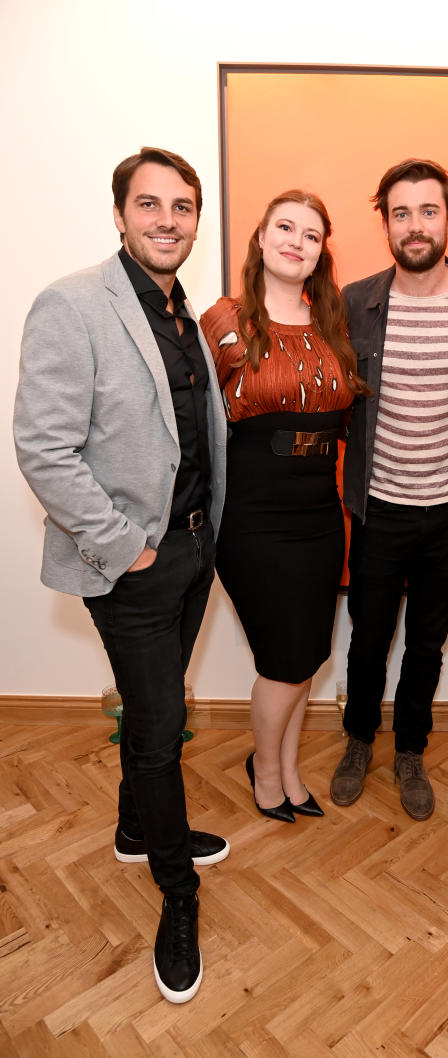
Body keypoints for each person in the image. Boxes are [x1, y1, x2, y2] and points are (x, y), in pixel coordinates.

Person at [14, 147, 229, 1002]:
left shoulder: (185, 316)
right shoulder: (72, 303)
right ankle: (178, 895)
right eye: (150, 205)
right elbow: (43, 448)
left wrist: (204, 536)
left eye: (182, 207)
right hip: (132, 564)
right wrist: (124, 545)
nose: (167, 220)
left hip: (193, 549)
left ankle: (137, 830)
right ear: (119, 214)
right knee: (158, 729)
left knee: (156, 705)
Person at [330, 159, 448, 820]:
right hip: (379, 510)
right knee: (368, 639)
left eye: (428, 211)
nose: (415, 225)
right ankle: (356, 740)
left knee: (426, 643)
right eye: (401, 213)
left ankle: (409, 750)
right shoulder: (354, 302)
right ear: (386, 223)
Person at [200, 191, 368, 824]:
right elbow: (195, 423)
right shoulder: (224, 320)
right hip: (252, 519)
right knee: (283, 660)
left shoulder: (333, 323)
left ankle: (292, 771)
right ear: (262, 238)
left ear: (322, 252)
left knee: (311, 655)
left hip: (320, 517)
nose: (297, 241)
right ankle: (265, 773)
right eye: (286, 228)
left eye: (313, 234)